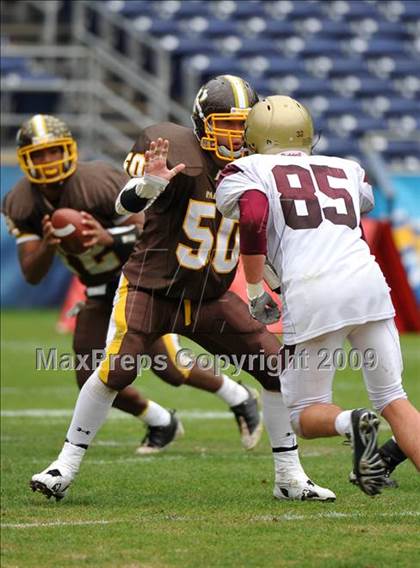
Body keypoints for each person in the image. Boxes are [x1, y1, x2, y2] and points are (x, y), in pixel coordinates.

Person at [30, 76, 336, 502]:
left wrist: (281, 284)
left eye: (242, 126)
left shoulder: (259, 168)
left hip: (211, 297)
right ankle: (64, 465)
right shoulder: (175, 150)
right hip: (151, 289)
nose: (235, 136)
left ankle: (289, 476)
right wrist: (149, 185)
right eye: (225, 126)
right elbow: (124, 206)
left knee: (277, 371)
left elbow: (262, 240)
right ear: (201, 124)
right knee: (117, 370)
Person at [3, 113, 263, 457]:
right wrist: (50, 243)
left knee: (170, 368)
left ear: (70, 150)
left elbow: (147, 229)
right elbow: (32, 274)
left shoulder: (97, 180)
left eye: (54, 151)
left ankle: (239, 396)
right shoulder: (21, 201)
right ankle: (160, 421)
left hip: (139, 279)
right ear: (25, 160)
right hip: (97, 288)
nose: (49, 162)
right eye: (39, 155)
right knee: (89, 376)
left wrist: (107, 237)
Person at [215, 95, 419, 496]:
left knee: (303, 414)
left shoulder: (248, 169)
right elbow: (355, 220)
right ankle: (367, 421)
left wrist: (256, 289)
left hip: (312, 290)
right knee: (395, 399)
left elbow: (254, 215)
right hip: (368, 283)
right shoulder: (346, 168)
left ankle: (349, 421)